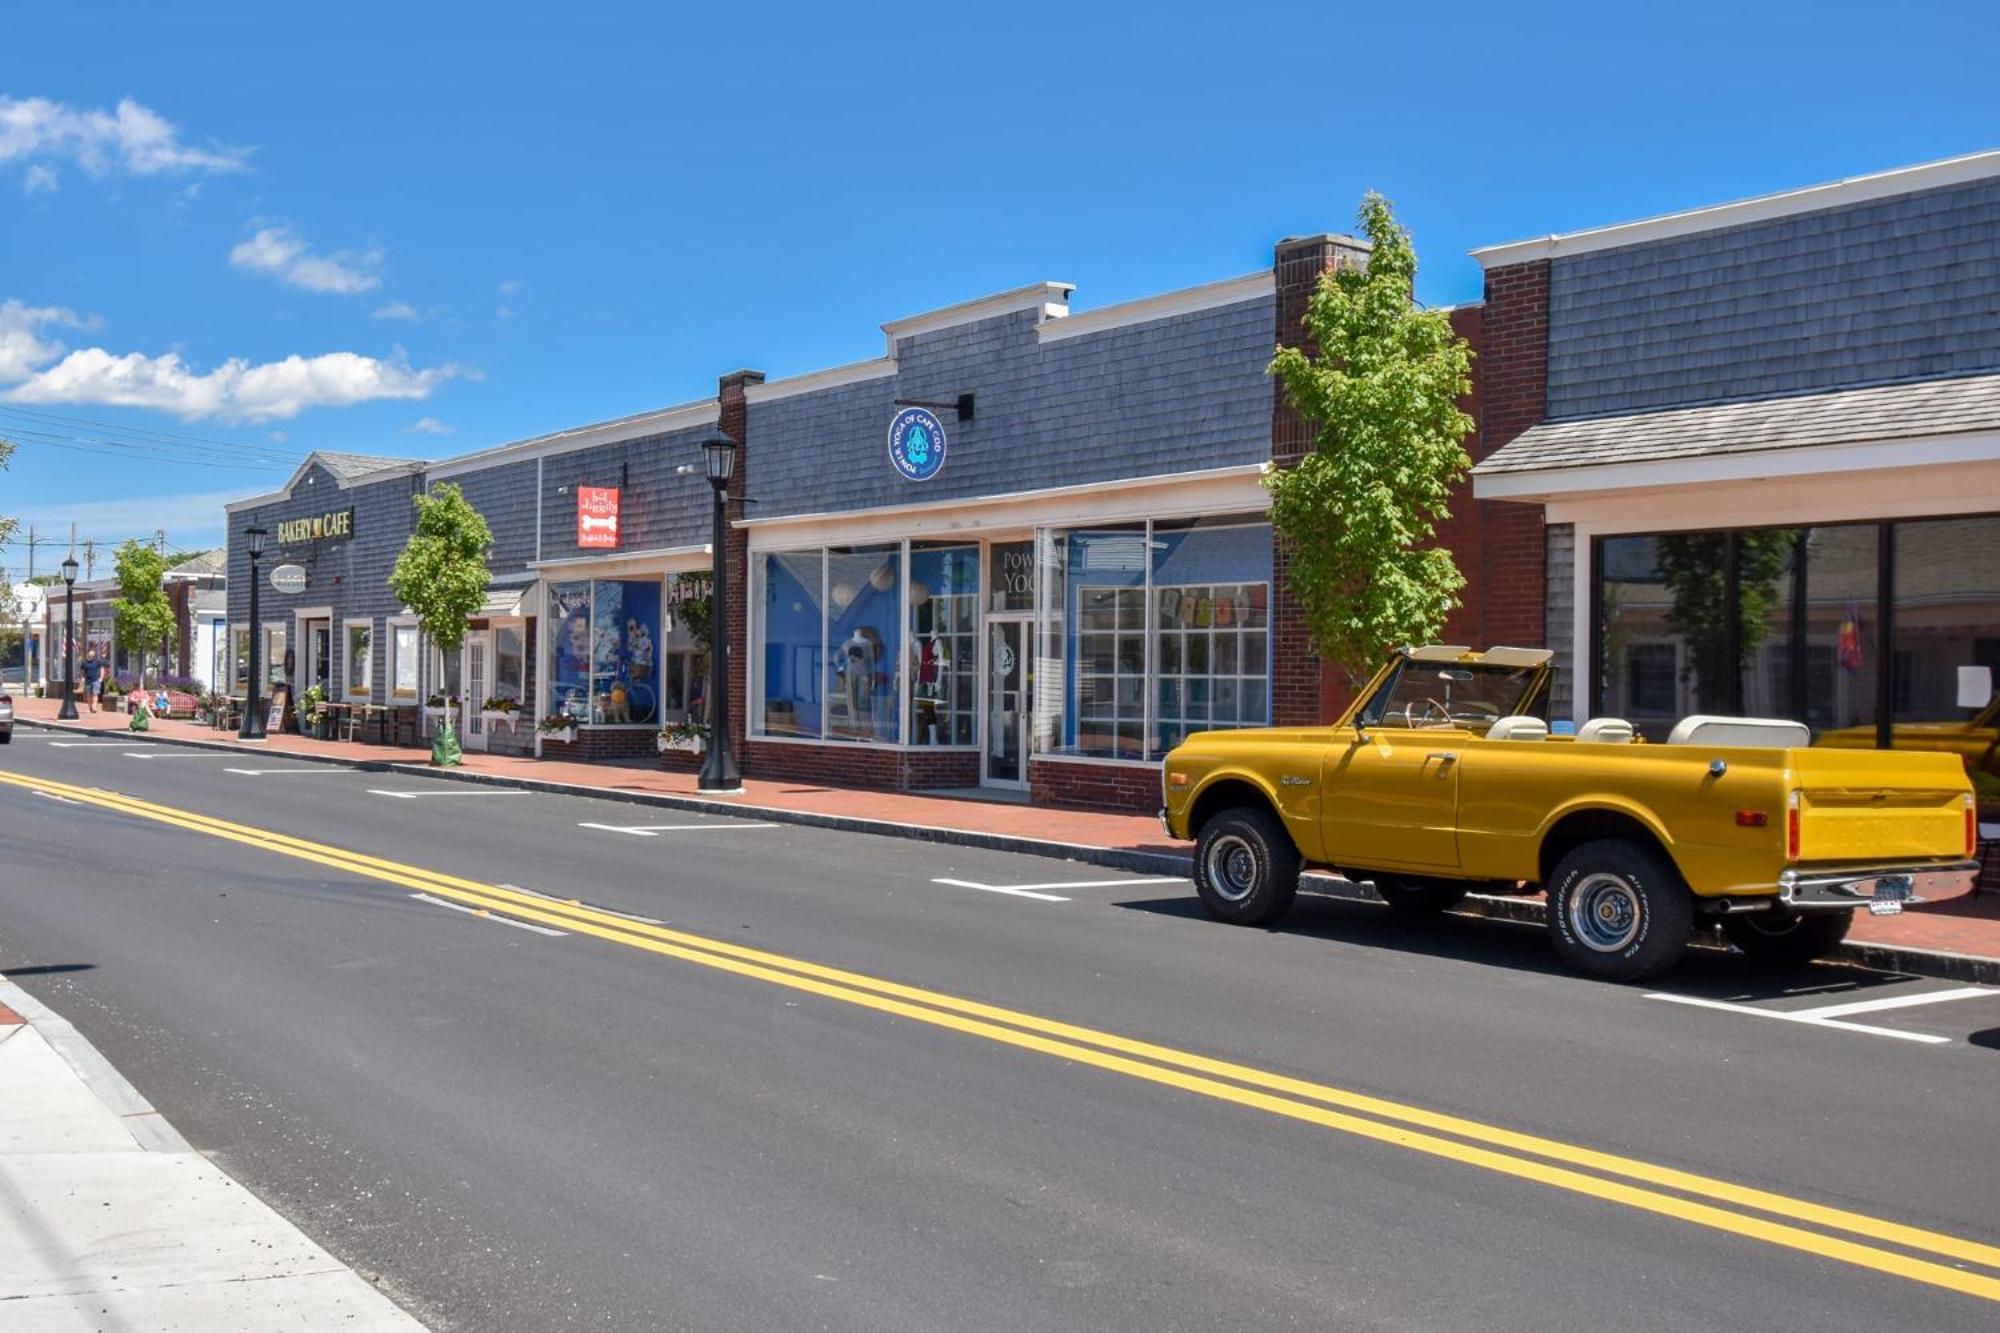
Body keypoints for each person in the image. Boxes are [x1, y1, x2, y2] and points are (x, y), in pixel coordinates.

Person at [80, 648, 105, 714]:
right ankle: (89, 708)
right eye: (90, 654)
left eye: (93, 654)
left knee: (95, 694)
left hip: (96, 680)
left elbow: (102, 669)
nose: (91, 655)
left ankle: (94, 707)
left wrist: (101, 678)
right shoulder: (84, 663)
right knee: (88, 695)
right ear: (87, 654)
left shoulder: (97, 661)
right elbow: (82, 671)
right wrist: (83, 677)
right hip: (88, 680)